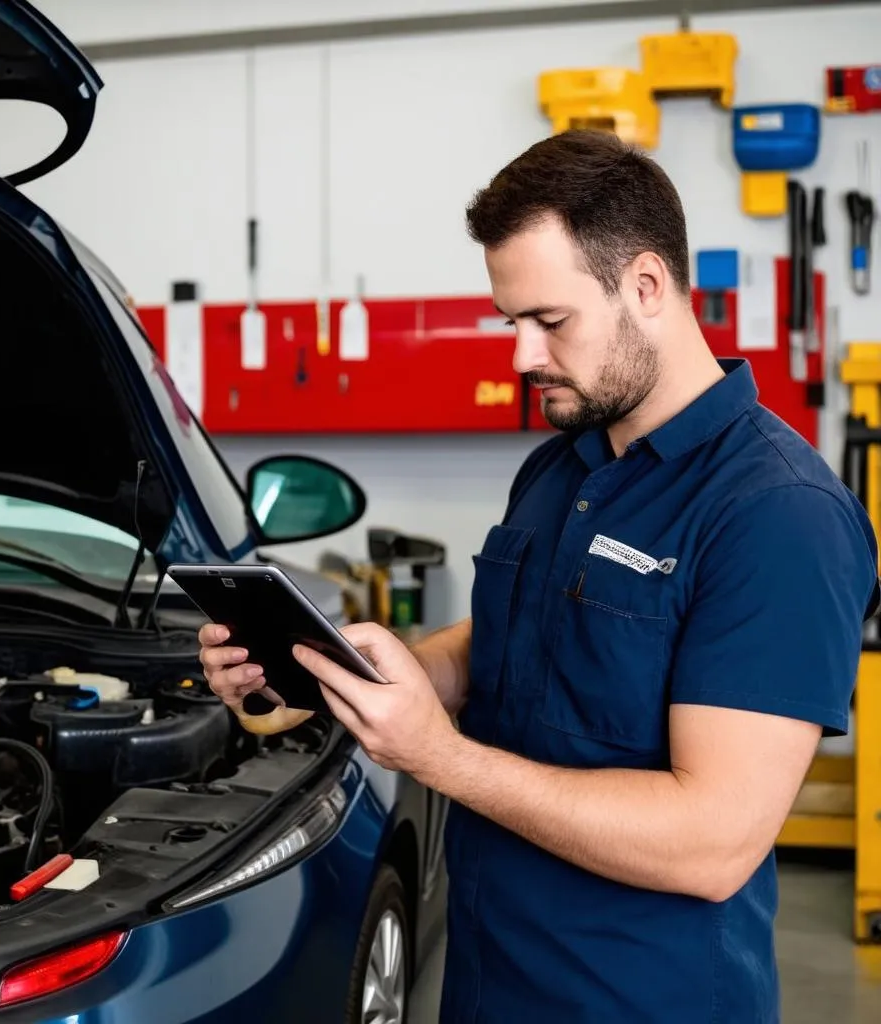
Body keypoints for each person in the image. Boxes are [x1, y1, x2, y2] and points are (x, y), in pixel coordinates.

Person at [199, 128, 880, 1023]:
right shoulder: (562, 467)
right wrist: (347, 674)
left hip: (640, 1001)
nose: (520, 356)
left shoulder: (779, 514)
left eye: (549, 321)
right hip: (488, 979)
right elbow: (513, 638)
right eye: (510, 321)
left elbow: (712, 842)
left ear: (645, 286)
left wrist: (438, 755)